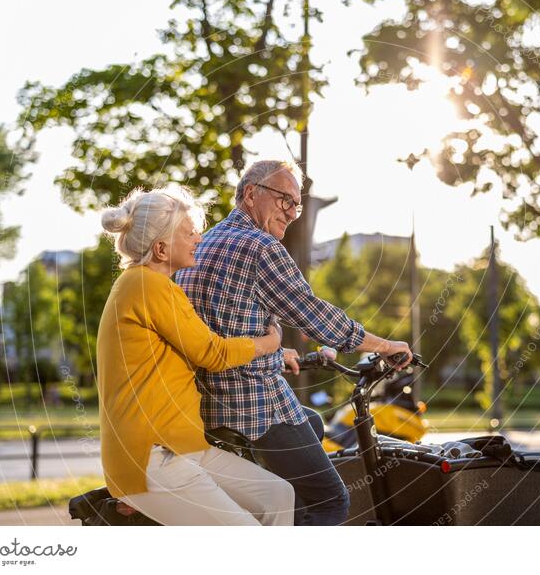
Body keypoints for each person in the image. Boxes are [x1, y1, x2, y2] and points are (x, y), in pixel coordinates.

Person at [176, 160, 412, 525]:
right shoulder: (259, 246)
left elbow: (215, 323)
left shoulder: (199, 244)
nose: (292, 212)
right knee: (331, 501)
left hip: (206, 403)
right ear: (251, 194)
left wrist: (275, 351)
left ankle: (283, 518)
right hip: (252, 406)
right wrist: (384, 346)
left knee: (314, 424)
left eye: (296, 204)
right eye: (284, 200)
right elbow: (315, 315)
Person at [96, 185, 294, 526]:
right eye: (189, 233)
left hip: (182, 447)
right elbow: (211, 352)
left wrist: (269, 350)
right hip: (151, 455)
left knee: (278, 495)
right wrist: (269, 342)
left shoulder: (146, 285)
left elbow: (199, 340)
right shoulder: (148, 286)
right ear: (160, 248)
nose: (198, 239)